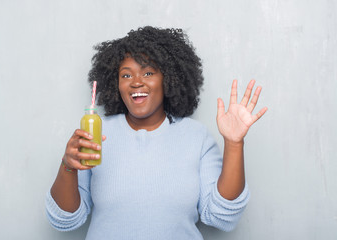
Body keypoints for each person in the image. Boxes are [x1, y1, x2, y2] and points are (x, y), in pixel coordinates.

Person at [45, 26, 267, 240]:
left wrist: (234, 143)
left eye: (148, 72)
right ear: (116, 84)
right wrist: (68, 166)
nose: (136, 82)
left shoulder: (196, 137)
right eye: (126, 75)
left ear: (168, 79)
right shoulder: (95, 132)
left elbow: (222, 216)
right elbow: (65, 220)